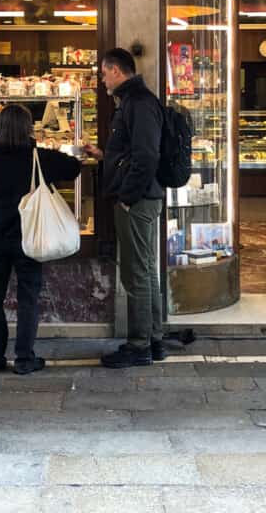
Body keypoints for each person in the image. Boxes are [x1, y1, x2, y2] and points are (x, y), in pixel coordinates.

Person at [0, 104, 81, 375]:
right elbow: (73, 168)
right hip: (29, 237)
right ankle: (24, 359)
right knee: (27, 298)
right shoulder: (37, 156)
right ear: (28, 128)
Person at [83, 48, 165, 368]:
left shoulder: (139, 103)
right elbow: (132, 154)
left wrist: (127, 198)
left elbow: (146, 157)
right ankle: (154, 340)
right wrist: (105, 156)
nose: (102, 79)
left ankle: (139, 344)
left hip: (138, 201)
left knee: (136, 274)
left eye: (104, 73)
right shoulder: (134, 102)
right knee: (145, 271)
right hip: (142, 198)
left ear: (116, 71)